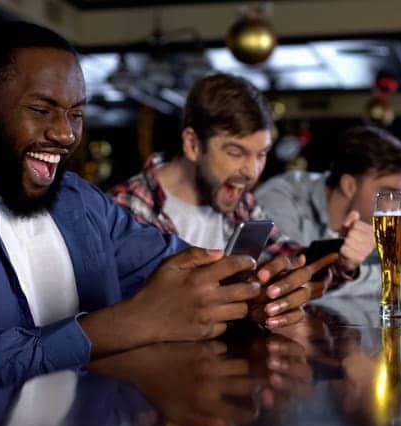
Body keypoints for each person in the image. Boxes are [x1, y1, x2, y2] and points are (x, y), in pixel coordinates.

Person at [0, 21, 323, 418]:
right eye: (41, 109)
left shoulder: (77, 199)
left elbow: (191, 275)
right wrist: (122, 326)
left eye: (74, 113)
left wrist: (256, 292)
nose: (64, 133)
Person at [109, 73, 374, 288]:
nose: (251, 171)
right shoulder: (125, 209)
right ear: (192, 144)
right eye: (236, 152)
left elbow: (293, 263)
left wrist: (341, 257)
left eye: (261, 154)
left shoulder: (240, 204)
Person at [255, 125, 401, 296]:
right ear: (349, 185)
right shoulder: (280, 198)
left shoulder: (375, 224)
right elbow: (292, 285)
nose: (398, 207)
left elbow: (372, 275)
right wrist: (399, 279)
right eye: (389, 193)